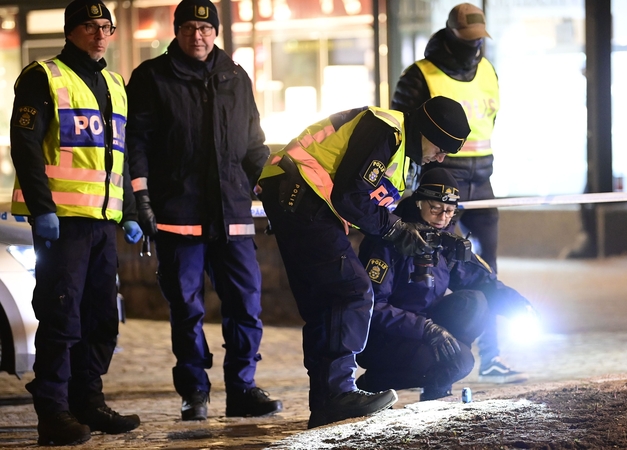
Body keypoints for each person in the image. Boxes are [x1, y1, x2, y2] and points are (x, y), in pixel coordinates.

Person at [256, 96, 470, 428]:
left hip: (295, 197)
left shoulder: (398, 155)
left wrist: (406, 231)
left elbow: (364, 203)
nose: (439, 157)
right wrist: (396, 229)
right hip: (301, 194)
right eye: (440, 147)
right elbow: (349, 196)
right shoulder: (386, 129)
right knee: (354, 290)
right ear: (426, 130)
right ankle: (339, 392)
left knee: (323, 305)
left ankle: (326, 402)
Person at [125, 0, 282, 421]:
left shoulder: (235, 76)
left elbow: (253, 144)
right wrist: (140, 198)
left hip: (232, 212)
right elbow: (135, 144)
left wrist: (271, 185)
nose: (199, 35)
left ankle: (242, 388)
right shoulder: (151, 78)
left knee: (246, 304)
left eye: (206, 27)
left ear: (216, 32)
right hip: (179, 212)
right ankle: (194, 391)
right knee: (187, 309)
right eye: (191, 27)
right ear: (177, 30)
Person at [9, 0, 143, 445]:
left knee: (101, 318)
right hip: (63, 222)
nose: (100, 33)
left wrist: (128, 211)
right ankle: (53, 411)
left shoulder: (114, 83)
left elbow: (117, 155)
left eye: (106, 26)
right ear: (71, 31)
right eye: (90, 26)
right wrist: (43, 208)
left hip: (103, 221)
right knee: (61, 316)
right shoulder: (43, 76)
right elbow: (26, 145)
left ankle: (89, 401)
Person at [390, 2, 522, 383]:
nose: (474, 46)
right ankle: (435, 353)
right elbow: (405, 130)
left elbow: (491, 121)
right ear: (450, 36)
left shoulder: (488, 70)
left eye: (479, 39)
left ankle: (493, 356)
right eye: (468, 39)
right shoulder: (420, 74)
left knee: (486, 268)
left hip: (483, 180)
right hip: (441, 183)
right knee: (440, 266)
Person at [355, 168, 537, 400]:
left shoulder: (446, 241)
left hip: (423, 328)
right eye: (436, 209)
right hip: (382, 337)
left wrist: (519, 306)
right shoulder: (391, 239)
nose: (442, 217)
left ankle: (436, 389)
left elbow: (482, 282)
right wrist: (426, 328)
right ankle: (373, 383)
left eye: (449, 211)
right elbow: (372, 307)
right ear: (419, 202)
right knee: (450, 362)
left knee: (474, 302)